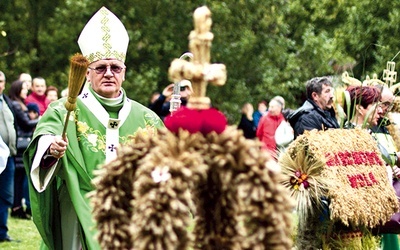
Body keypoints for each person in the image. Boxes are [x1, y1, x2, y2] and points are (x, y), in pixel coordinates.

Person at [24, 7, 164, 250]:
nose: (108, 73)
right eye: (100, 68)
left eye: (115, 67)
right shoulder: (63, 110)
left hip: (129, 215)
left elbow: (167, 165)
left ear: (124, 73)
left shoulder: (148, 119)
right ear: (87, 73)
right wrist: (50, 149)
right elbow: (43, 141)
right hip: (79, 211)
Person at [369, 86, 400, 250]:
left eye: (390, 105)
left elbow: (391, 154)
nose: (386, 109)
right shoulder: (369, 127)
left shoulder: (386, 126)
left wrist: (396, 167)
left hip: (393, 186)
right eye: (384, 104)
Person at [8, 80, 39, 220]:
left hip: (22, 143)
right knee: (19, 178)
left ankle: (18, 206)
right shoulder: (16, 105)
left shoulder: (21, 104)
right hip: (21, 145)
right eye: (24, 89)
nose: (26, 91)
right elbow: (25, 124)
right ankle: (16, 207)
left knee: (20, 178)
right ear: (17, 90)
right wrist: (42, 119)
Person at [0, 71, 18, 243]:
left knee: (6, 195)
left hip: (9, 156)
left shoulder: (6, 102)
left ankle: (2, 232)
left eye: (1, 81)